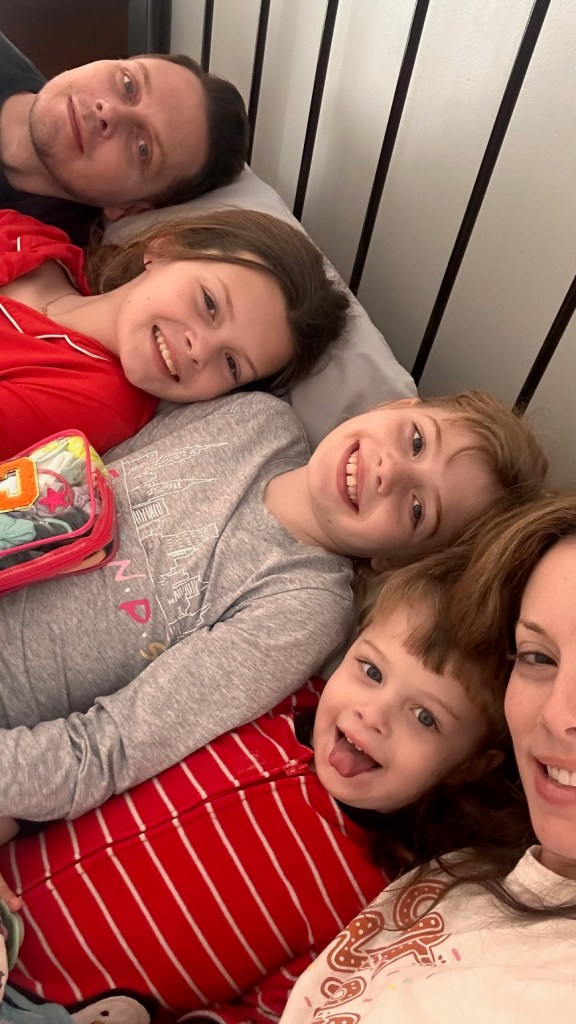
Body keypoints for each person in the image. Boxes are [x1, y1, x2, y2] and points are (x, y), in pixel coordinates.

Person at [0, 389, 547, 828]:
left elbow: (107, 751)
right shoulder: (257, 419)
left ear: (396, 561)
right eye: (417, 440)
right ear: (394, 406)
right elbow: (59, 480)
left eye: (418, 508)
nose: (391, 472)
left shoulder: (305, 607)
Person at [0, 548, 509, 1018]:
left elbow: (270, 1009)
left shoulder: (376, 900)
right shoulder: (272, 699)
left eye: (425, 717)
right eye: (371, 671)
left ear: (469, 766)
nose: (373, 715)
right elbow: (101, 751)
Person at [276, 492, 576, 1024]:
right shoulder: (465, 867)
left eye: (425, 717)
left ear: (473, 762)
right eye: (537, 656)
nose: (557, 715)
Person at [0, 206, 349, 456]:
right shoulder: (33, 239)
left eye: (231, 364)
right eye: (209, 303)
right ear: (165, 248)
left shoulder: (97, 401)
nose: (201, 349)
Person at [0, 32, 249, 244]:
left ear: (131, 207)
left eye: (143, 149)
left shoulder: (45, 263)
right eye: (128, 85)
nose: (109, 112)